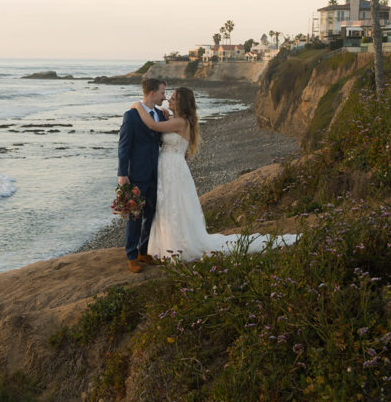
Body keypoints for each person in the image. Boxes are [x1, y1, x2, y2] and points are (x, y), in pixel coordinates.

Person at [130, 87, 298, 261]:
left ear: (181, 103)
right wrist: (166, 115)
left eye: (173, 98)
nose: (168, 100)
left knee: (173, 205)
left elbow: (153, 125)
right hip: (170, 167)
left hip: (172, 168)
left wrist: (138, 106)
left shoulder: (180, 122)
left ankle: (176, 245)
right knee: (167, 205)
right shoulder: (177, 120)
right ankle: (166, 243)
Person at [117, 77, 167, 273]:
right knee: (135, 215)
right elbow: (124, 146)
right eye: (162, 92)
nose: (165, 96)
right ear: (152, 93)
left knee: (151, 213)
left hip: (156, 172)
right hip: (137, 173)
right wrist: (122, 174)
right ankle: (131, 255)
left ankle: (143, 251)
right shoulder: (131, 116)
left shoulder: (160, 115)